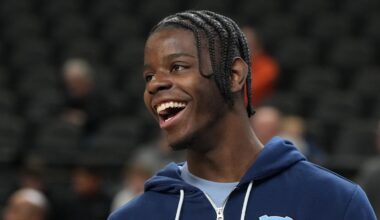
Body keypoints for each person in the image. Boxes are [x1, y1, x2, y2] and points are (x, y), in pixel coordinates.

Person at [109, 10, 375, 220]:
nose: (154, 85)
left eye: (178, 66)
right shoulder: (135, 215)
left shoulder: (333, 202)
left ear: (234, 75)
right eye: (149, 76)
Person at [242, 26, 279, 106]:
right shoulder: (231, 63)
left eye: (248, 44)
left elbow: (248, 89)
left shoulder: (268, 66)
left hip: (259, 107)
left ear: (258, 46)